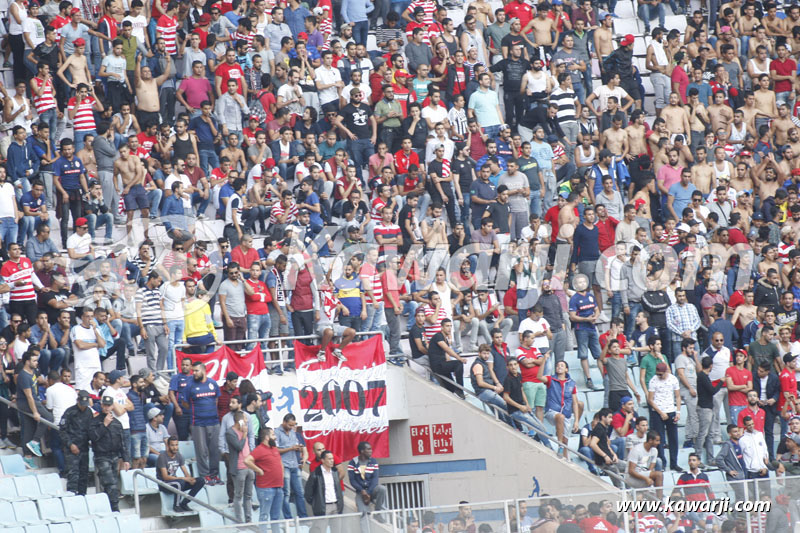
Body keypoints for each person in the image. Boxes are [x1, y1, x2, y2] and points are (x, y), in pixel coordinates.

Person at [183, 360, 223, 485]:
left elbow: (216, 400)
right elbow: (185, 403)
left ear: (204, 370)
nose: (194, 373)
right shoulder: (190, 385)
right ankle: (205, 476)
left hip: (214, 422)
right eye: (193, 371)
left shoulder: (213, 383)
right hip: (198, 423)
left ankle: (214, 475)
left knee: (215, 451)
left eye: (196, 370)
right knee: (202, 452)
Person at [88, 396, 130, 512]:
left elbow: (122, 443)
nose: (106, 407)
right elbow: (93, 437)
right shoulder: (95, 421)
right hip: (102, 456)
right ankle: (115, 509)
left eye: (108, 405)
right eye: (104, 405)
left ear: (112, 406)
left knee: (113, 483)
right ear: (101, 405)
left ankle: (110, 508)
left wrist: (126, 459)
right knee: (110, 483)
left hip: (114, 456)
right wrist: (104, 425)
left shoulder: (117, 423)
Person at [157, 436, 207, 513]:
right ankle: (176, 506)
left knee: (201, 480)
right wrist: (184, 479)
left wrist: (190, 479)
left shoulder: (179, 455)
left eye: (176, 445)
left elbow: (186, 472)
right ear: (168, 446)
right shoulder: (162, 457)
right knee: (180, 482)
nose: (175, 447)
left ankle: (184, 503)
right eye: (172, 445)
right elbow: (165, 477)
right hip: (164, 484)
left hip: (176, 483)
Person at [59, 390, 95, 495]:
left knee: (84, 474)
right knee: (73, 474)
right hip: (72, 448)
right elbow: (62, 431)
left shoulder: (88, 412)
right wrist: (70, 444)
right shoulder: (69, 412)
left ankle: (82, 495)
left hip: (84, 447)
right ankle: (72, 497)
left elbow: (90, 428)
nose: (83, 407)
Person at [348, 441, 388, 528]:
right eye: (368, 449)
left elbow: (375, 479)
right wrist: (362, 491)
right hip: (360, 493)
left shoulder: (373, 461)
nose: (371, 451)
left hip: (372, 490)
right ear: (362, 451)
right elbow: (352, 480)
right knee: (364, 515)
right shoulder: (352, 463)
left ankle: (377, 513)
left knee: (382, 488)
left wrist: (368, 493)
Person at [276, 413, 308, 518]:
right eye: (290, 425)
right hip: (284, 465)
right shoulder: (277, 432)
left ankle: (303, 516)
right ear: (284, 422)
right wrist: (290, 448)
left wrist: (298, 448)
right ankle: (288, 518)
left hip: (295, 464)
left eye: (293, 425)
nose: (291, 427)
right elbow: (275, 450)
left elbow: (298, 446)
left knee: (300, 492)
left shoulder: (293, 433)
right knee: (286, 493)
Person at [305, 449, 345, 533]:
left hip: (336, 505)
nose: (332, 461)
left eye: (332, 459)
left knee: (337, 530)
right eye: (329, 459)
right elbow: (308, 492)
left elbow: (337, 489)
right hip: (323, 507)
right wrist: (316, 503)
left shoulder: (334, 472)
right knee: (320, 530)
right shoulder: (316, 473)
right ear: (323, 460)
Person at [225, 411, 254, 523]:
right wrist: (245, 435)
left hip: (249, 467)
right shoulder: (230, 433)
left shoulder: (244, 430)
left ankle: (249, 519)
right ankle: (239, 520)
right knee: (238, 495)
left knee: (248, 495)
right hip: (239, 468)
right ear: (240, 421)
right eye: (245, 419)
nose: (247, 422)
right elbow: (238, 447)